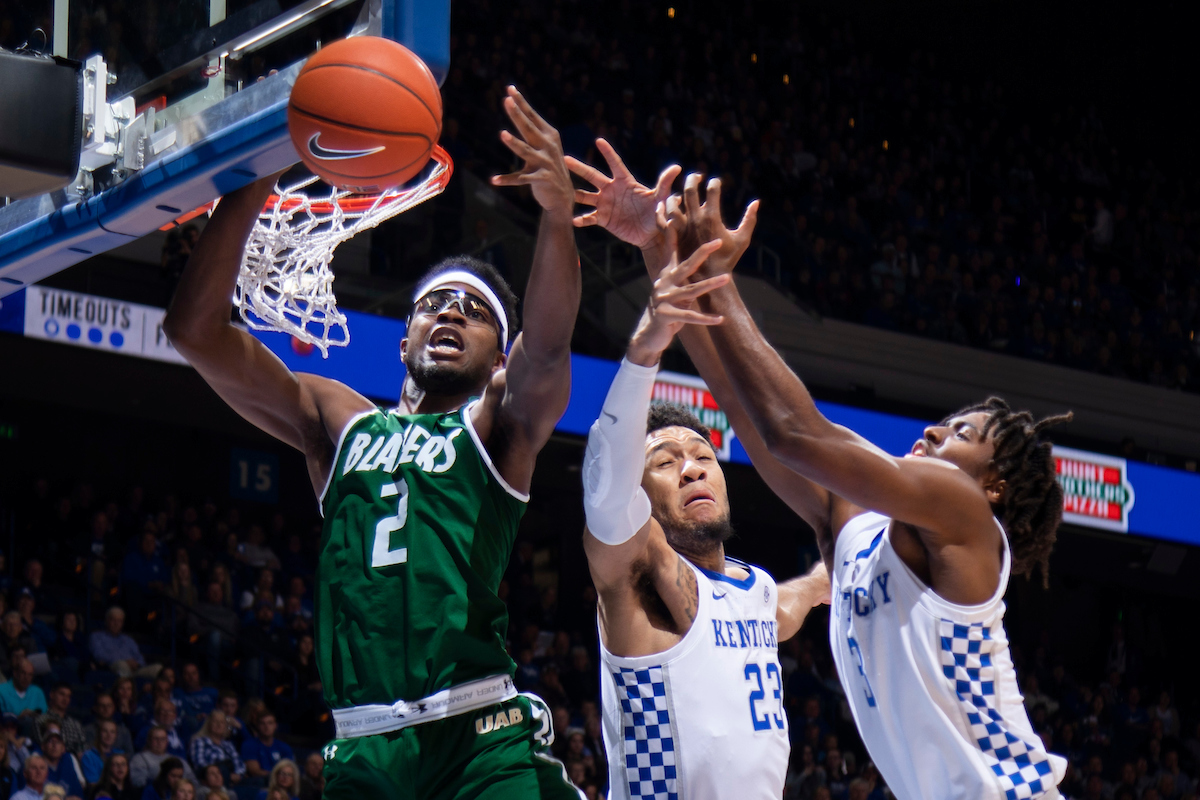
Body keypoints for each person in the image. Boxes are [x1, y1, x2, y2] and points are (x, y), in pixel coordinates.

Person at [162, 85, 583, 800]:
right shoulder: (340, 420)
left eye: (475, 311)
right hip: (363, 748)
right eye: (435, 304)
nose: (452, 311)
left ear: (498, 359)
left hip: (477, 736)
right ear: (403, 340)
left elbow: (547, 355)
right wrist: (252, 178)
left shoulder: (495, 428)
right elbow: (194, 332)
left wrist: (556, 218)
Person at [650, 171, 1071, 799]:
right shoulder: (857, 529)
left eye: (962, 433)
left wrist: (723, 280)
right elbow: (754, 421)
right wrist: (671, 267)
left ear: (995, 486)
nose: (934, 430)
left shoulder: (964, 513)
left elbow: (796, 432)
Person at [572, 192, 828, 797]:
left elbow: (785, 607)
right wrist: (647, 346)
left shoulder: (754, 590)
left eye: (702, 457)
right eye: (664, 462)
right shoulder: (642, 573)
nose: (691, 470)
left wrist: (825, 582)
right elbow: (605, 493)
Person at [88, 609, 161, 679]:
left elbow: (140, 658)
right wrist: (126, 661)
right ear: (107, 621)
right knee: (122, 665)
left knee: (158, 668)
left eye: (119, 621)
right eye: (113, 620)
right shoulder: (96, 637)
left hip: (134, 670)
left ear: (122, 623)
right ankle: (129, 689)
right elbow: (99, 655)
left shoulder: (128, 640)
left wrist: (137, 664)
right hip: (112, 668)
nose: (116, 624)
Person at [187, 711, 244, 787]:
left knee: (261, 781)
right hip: (210, 781)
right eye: (215, 721)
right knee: (222, 769)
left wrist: (238, 775)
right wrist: (220, 775)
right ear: (209, 724)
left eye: (222, 722)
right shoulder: (199, 741)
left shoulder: (228, 745)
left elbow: (240, 764)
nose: (219, 725)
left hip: (233, 781)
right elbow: (200, 764)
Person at [129, 728, 195, 789]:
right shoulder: (139, 759)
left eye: (163, 739)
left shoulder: (178, 760)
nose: (159, 742)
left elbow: (193, 781)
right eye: (156, 739)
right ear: (149, 740)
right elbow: (138, 783)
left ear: (167, 741)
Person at [239, 713, 292, 783]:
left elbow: (290, 769)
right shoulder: (249, 745)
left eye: (270, 723)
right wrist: (277, 776)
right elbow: (254, 771)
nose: (266, 727)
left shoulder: (284, 747)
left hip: (280, 782)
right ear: (258, 726)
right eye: (262, 723)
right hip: (259, 783)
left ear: (275, 726)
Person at [36, 684, 87, 755]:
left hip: (72, 761)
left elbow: (82, 750)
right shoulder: (41, 720)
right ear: (52, 695)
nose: (65, 699)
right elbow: (42, 746)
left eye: (68, 696)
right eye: (61, 694)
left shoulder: (75, 724)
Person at [40, 725, 85, 799]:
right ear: (43, 746)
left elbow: (78, 795)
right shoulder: (36, 765)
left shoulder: (68, 762)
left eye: (58, 742)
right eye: (50, 741)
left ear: (63, 748)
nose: (54, 745)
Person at [81, 720, 124, 785]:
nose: (109, 735)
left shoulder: (120, 755)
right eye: (105, 731)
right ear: (99, 733)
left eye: (112, 732)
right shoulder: (88, 756)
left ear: (116, 735)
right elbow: (93, 784)